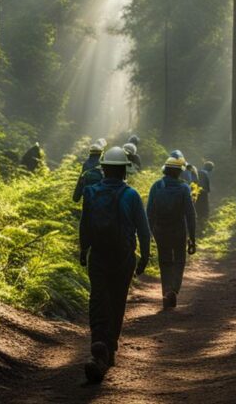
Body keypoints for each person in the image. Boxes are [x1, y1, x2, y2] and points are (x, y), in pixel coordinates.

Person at [79, 147, 151, 383]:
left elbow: (85, 224)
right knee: (117, 300)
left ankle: (98, 343)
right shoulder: (131, 195)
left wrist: (83, 249)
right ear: (123, 171)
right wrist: (145, 256)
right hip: (123, 258)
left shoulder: (90, 192)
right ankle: (108, 349)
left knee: (98, 298)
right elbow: (143, 229)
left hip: (97, 255)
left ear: (104, 169)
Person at [146, 157, 197, 309]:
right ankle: (174, 289)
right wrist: (192, 237)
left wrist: (148, 234)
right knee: (180, 260)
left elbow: (149, 212)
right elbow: (190, 214)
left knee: (165, 261)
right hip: (178, 230)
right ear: (179, 172)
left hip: (160, 230)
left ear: (165, 170)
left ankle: (166, 292)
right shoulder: (184, 188)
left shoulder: (156, 186)